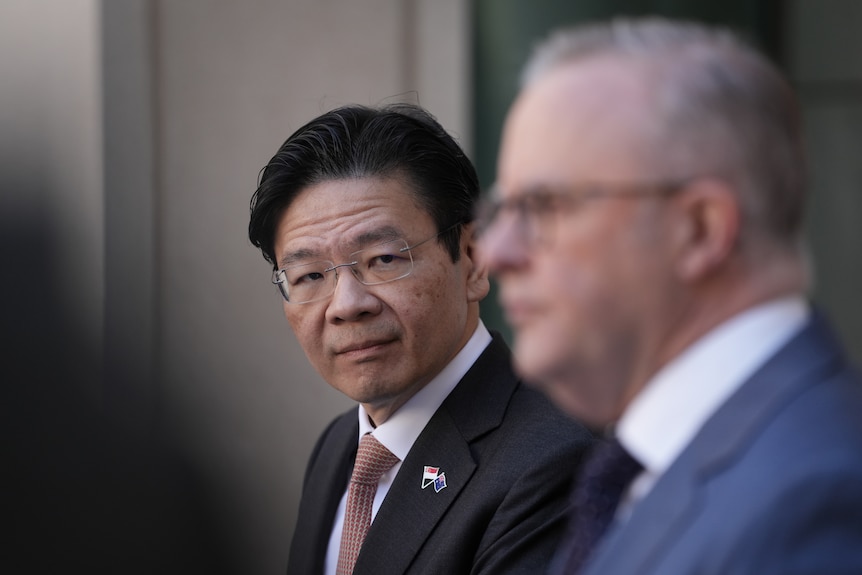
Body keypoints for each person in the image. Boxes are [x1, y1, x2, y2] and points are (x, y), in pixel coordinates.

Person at [478, 17, 862, 575]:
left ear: (700, 230)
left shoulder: (813, 500)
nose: (496, 252)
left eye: (543, 207)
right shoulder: (650, 466)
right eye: (502, 209)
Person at [248, 103, 593, 574]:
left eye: (384, 259)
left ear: (473, 259)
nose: (346, 305)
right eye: (309, 275)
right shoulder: (338, 447)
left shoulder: (551, 461)